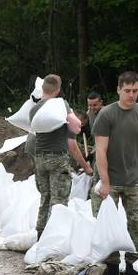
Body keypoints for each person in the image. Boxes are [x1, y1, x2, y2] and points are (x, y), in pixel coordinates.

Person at [92, 70, 138, 275]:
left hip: (134, 178)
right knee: (107, 226)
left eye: (136, 91)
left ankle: (133, 268)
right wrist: (104, 182)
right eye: (128, 91)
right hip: (109, 178)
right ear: (119, 90)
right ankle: (111, 270)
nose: (132, 95)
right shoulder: (106, 115)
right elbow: (100, 150)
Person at [29, 74, 92, 236]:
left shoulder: (35, 108)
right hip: (58, 158)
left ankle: (40, 236)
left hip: (40, 158)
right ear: (57, 90)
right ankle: (54, 238)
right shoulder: (61, 104)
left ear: (43, 88)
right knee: (59, 201)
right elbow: (77, 127)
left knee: (45, 198)